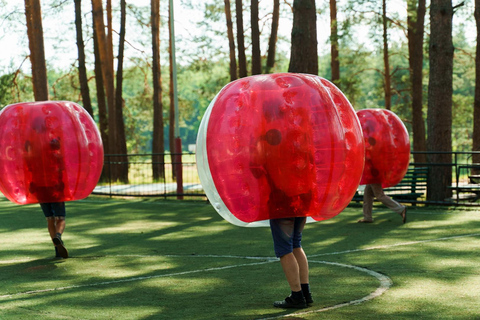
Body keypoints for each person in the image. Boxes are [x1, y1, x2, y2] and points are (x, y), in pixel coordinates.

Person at [270, 217, 312, 309]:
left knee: (284, 249)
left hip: (282, 208)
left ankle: (297, 296)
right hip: (301, 205)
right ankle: (305, 293)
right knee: (296, 243)